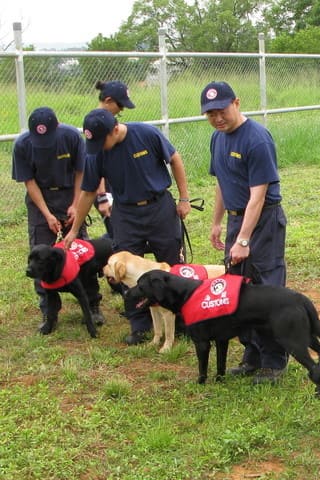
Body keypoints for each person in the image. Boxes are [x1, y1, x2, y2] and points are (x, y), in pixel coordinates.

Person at [62, 108, 192, 345]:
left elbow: (174, 158)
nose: (99, 147)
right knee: (125, 270)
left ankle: (181, 318)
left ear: (115, 128)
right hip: (125, 213)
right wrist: (73, 230)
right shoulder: (96, 153)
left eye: (102, 141)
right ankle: (140, 324)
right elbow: (89, 191)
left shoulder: (146, 134)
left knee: (171, 262)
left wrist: (184, 198)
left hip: (159, 206)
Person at [201, 81, 289, 385]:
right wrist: (217, 222)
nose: (217, 118)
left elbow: (259, 196)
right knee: (236, 290)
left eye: (222, 110)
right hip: (238, 219)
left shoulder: (257, 139)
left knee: (266, 289)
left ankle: (274, 360)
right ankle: (252, 352)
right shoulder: (217, 139)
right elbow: (222, 183)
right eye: (210, 114)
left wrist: (243, 239)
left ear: (236, 103)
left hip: (262, 221)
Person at [12, 106, 103, 332]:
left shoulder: (72, 137)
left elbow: (81, 172)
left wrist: (75, 204)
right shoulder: (22, 145)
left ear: (58, 126)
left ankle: (92, 304)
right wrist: (47, 215)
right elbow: (29, 182)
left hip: (69, 192)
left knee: (80, 252)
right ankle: (49, 310)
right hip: (40, 198)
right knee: (39, 254)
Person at [93, 80, 136, 237]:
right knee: (118, 233)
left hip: (117, 184)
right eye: (120, 106)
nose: (121, 110)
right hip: (105, 188)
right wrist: (102, 197)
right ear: (108, 101)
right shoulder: (97, 126)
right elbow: (95, 167)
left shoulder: (110, 121)